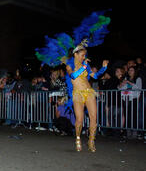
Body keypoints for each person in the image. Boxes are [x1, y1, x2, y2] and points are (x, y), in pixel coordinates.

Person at [35, 10, 111, 152]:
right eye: (82, 54)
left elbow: (94, 77)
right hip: (77, 94)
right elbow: (73, 76)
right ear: (76, 54)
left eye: (85, 55)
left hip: (89, 92)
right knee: (80, 120)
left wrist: (103, 68)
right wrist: (83, 66)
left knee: (94, 117)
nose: (84, 56)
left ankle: (91, 141)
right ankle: (77, 139)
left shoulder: (86, 64)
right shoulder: (69, 65)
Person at [118, 66, 142, 139]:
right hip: (126, 99)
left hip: (134, 99)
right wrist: (121, 84)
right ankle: (128, 133)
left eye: (132, 70)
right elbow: (119, 88)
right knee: (127, 116)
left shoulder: (138, 79)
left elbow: (139, 88)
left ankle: (134, 133)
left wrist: (129, 83)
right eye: (129, 70)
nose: (130, 72)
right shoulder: (126, 79)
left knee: (134, 116)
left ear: (135, 71)